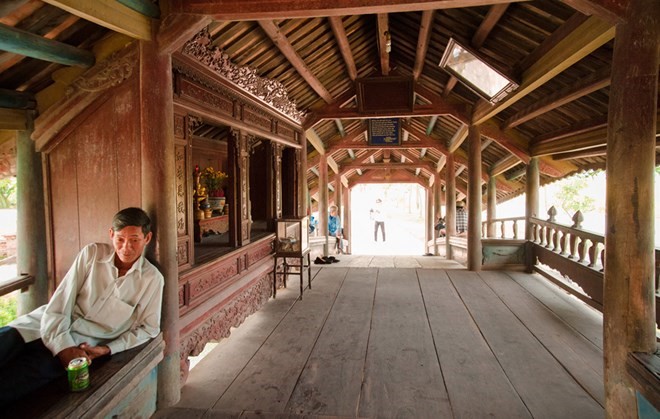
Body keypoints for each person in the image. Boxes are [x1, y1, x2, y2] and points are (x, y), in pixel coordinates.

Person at [0, 207, 164, 405]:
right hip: (37, 326)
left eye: (134, 240)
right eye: (120, 239)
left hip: (78, 347)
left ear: (147, 238)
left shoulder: (152, 280)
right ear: (111, 235)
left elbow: (149, 328)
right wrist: (63, 346)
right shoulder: (92, 254)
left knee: (11, 383)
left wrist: (107, 349)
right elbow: (61, 301)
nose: (126, 247)